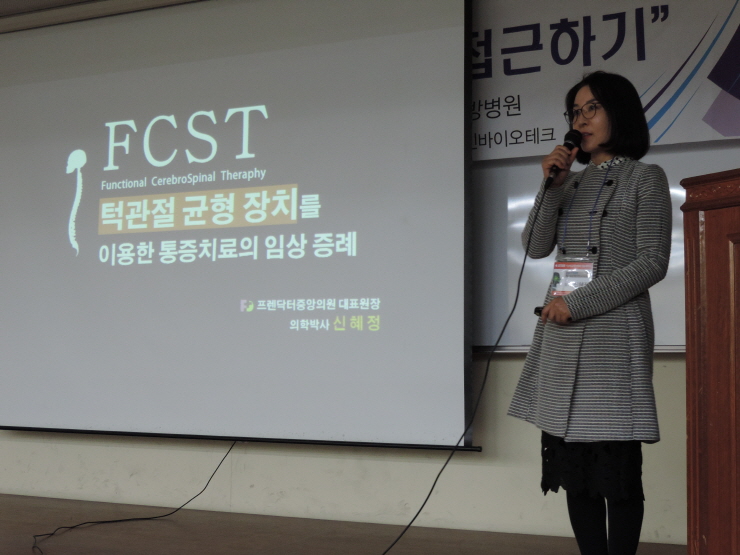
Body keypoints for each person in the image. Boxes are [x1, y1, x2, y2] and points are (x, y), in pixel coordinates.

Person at [508, 71, 672, 555]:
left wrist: (576, 304)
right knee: (575, 472)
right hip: (560, 339)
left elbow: (652, 261)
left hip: (612, 337)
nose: (581, 120)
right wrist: (551, 186)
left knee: (616, 474)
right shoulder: (569, 183)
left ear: (619, 112)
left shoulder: (646, 177)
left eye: (591, 109)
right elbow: (535, 246)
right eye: (575, 112)